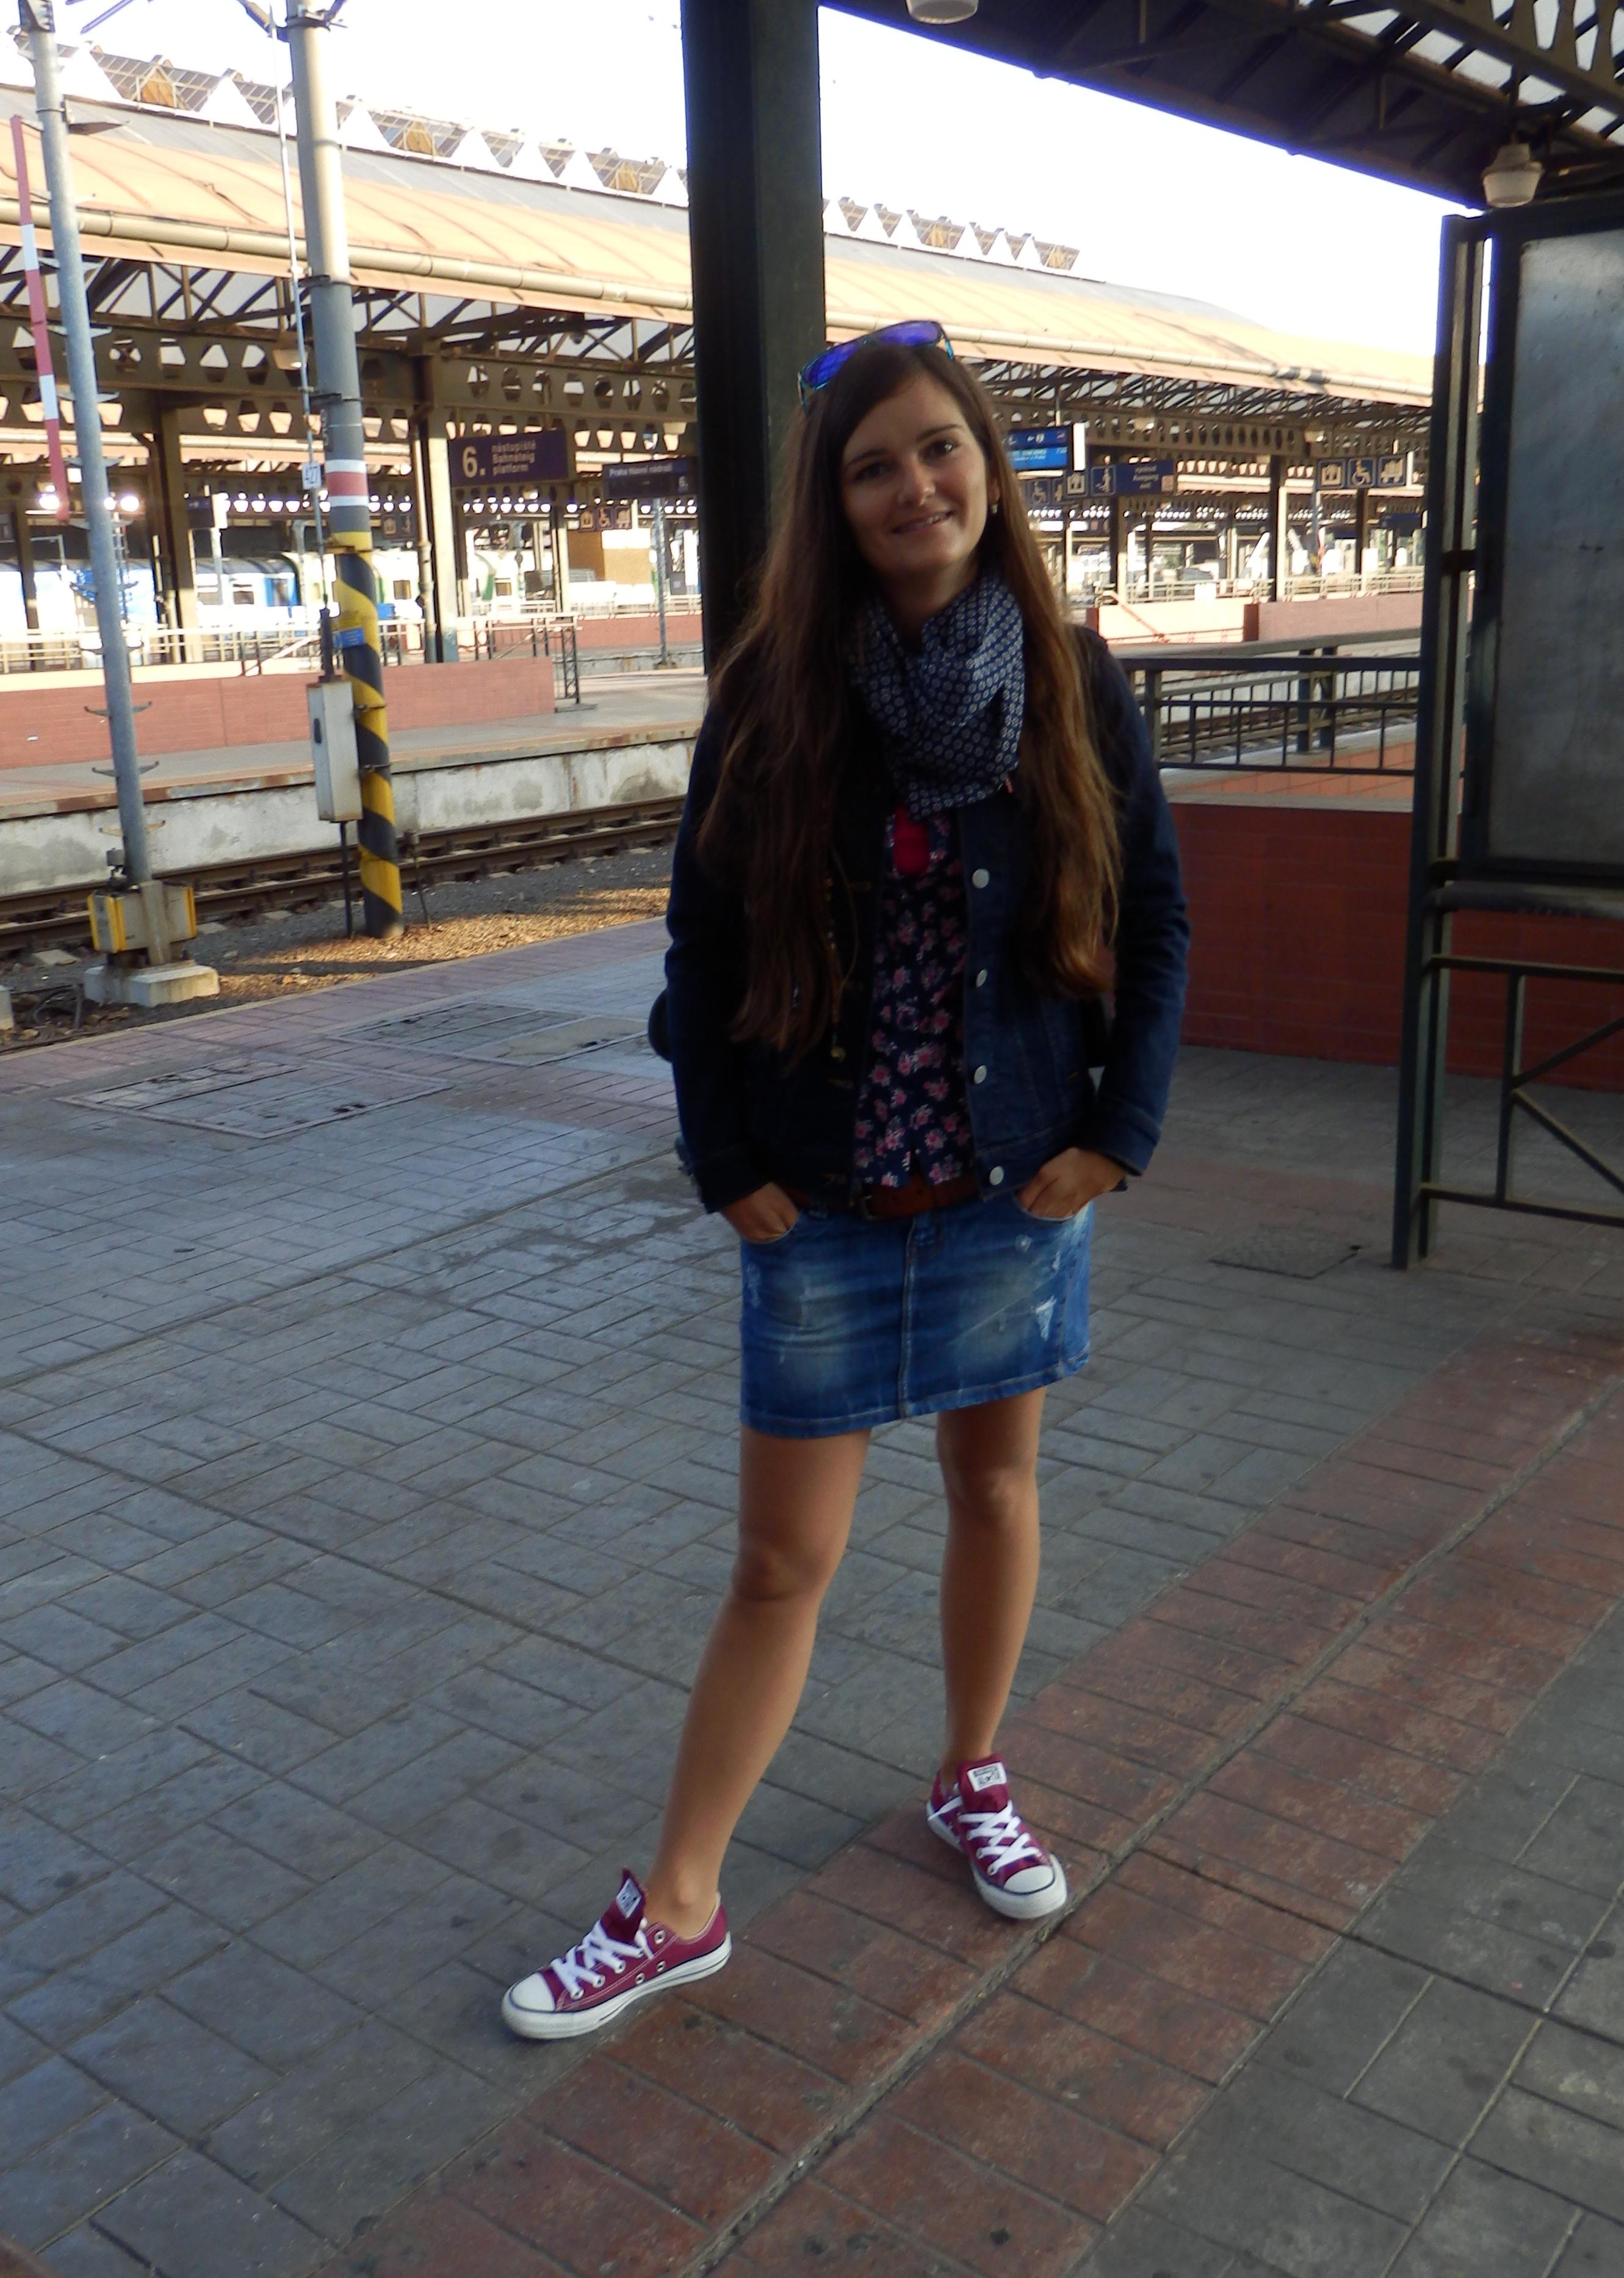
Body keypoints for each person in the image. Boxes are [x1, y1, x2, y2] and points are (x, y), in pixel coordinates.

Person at [503, 322, 1188, 2040]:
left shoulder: (1072, 678)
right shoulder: (776, 694)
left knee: (996, 1492)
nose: (915, 486)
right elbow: (702, 940)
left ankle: (972, 1774)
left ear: (990, 468)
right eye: (875, 465)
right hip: (821, 1200)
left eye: (941, 448)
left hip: (1013, 1186)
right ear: (837, 501)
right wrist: (720, 1153)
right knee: (778, 1566)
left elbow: (1158, 915)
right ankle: (680, 1905)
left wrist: (1122, 1130)